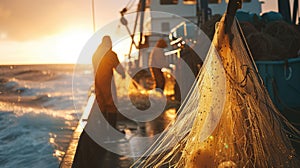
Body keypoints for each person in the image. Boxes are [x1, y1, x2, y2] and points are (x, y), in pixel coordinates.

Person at [72, 35, 125, 167]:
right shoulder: (111, 54)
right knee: (112, 107)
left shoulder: (95, 54)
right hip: (108, 84)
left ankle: (105, 132)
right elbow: (119, 69)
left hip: (98, 85)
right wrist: (123, 74)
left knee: (102, 107)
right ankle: (112, 133)